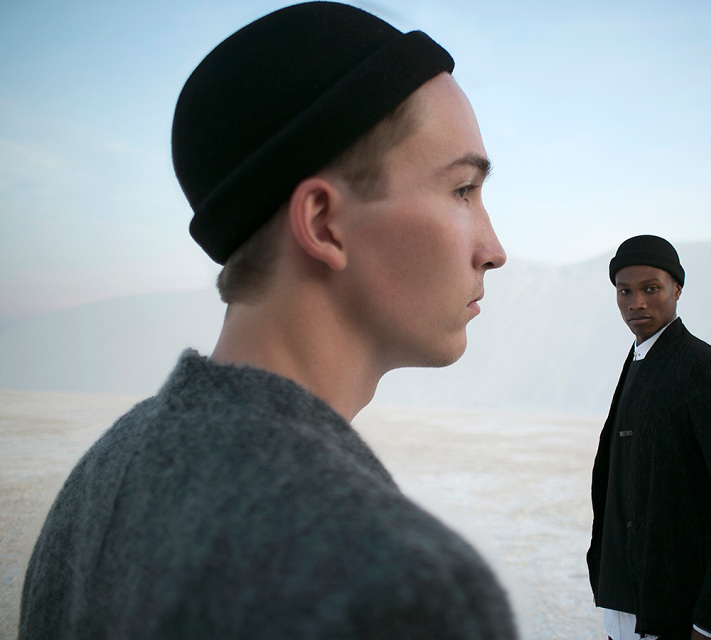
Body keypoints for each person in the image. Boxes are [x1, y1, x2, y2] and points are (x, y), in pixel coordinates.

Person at [18, 3, 517, 638]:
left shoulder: (99, 482)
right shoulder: (402, 587)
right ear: (323, 224)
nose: (493, 249)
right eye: (462, 190)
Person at [586, 235, 711, 640]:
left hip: (675, 617)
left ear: (677, 289)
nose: (636, 303)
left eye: (651, 289)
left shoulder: (703, 368)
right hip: (623, 611)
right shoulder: (639, 359)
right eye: (625, 291)